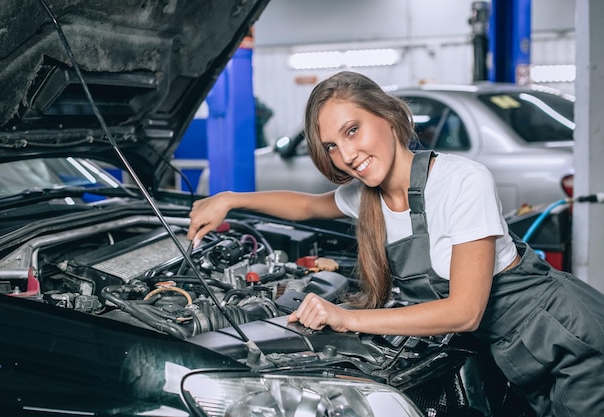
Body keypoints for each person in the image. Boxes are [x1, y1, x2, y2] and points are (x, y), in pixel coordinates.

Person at [187, 71, 604, 416]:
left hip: (570, 342)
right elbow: (307, 207)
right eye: (332, 146)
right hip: (519, 357)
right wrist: (230, 199)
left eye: (353, 130)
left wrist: (347, 317)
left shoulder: (461, 180)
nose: (346, 154)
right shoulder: (365, 198)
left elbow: (465, 311)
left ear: (387, 116)